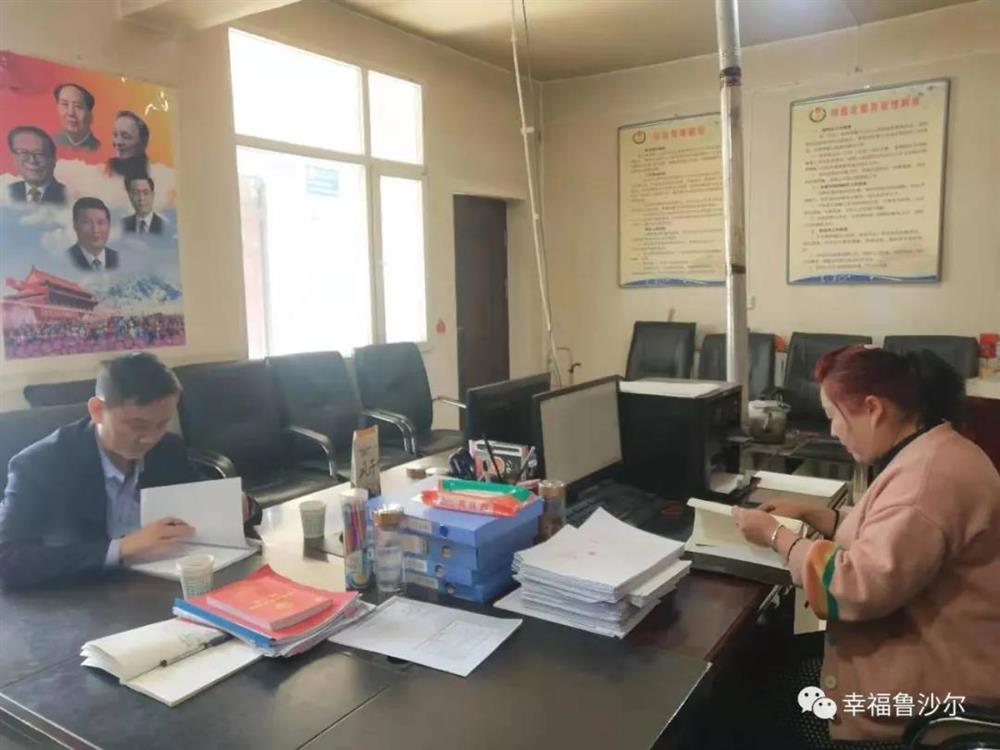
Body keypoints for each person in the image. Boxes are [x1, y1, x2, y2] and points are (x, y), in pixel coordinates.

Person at [733, 346, 1000, 746]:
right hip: (932, 653)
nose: (833, 431)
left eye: (833, 416)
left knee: (755, 698)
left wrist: (777, 537)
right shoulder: (934, 448)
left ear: (873, 409)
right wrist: (816, 515)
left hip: (930, 702)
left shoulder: (926, 481)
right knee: (770, 660)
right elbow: (887, 535)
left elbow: (852, 587)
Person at [0, 353, 261, 589]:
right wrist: (121, 548)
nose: (150, 438)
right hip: (80, 596)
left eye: (162, 423)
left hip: (155, 587)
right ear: (97, 411)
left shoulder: (166, 448)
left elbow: (208, 500)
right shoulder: (40, 465)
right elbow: (7, 559)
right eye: (137, 425)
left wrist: (243, 506)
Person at [7, 126, 66, 204]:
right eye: (24, 152)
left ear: (53, 159)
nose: (32, 160)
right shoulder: (7, 192)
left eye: (39, 154)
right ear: (14, 158)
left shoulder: (69, 194)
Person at [67, 197, 119, 271]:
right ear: (75, 225)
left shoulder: (119, 259)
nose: (95, 230)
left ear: (109, 225)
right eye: (87, 223)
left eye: (100, 223)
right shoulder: (65, 259)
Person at [53, 83, 100, 150]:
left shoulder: (98, 147)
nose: (71, 113)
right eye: (65, 104)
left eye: (78, 106)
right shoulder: (52, 142)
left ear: (90, 114)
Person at [108, 110, 149, 178]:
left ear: (142, 142)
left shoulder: (158, 172)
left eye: (126, 136)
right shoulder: (103, 170)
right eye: (115, 135)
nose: (118, 142)